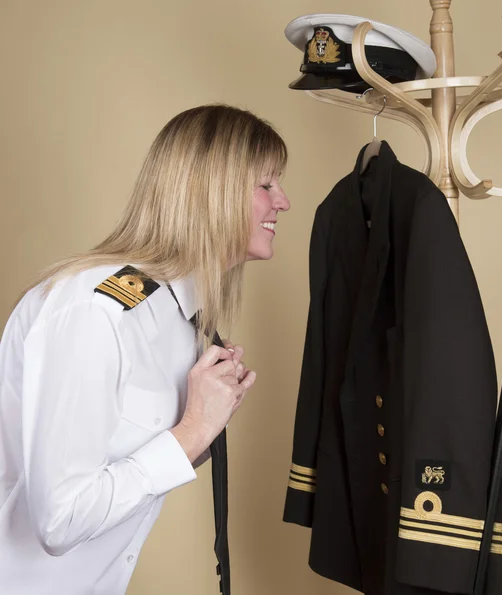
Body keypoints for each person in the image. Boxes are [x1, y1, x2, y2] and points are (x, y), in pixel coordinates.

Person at [0, 104, 290, 594]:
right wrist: (193, 431)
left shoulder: (181, 318)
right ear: (210, 193)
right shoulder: (100, 309)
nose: (283, 201)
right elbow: (60, 520)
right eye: (266, 185)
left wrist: (203, 423)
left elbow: (128, 461)